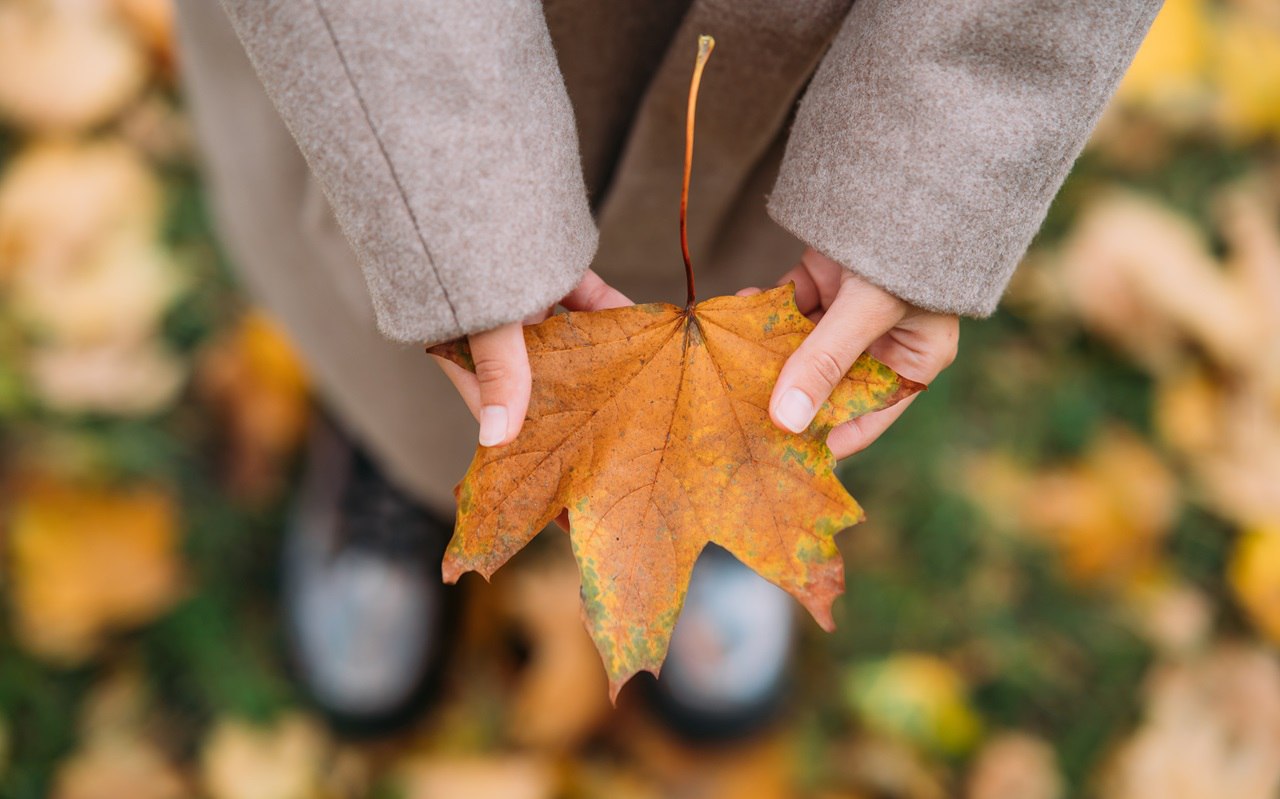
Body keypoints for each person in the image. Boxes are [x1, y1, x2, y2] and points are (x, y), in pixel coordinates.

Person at [175, 0, 1161, 733]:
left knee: (782, 335)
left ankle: (730, 497)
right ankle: (385, 452)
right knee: (417, 317)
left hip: (817, 80)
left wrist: (930, 179)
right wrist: (447, 212)